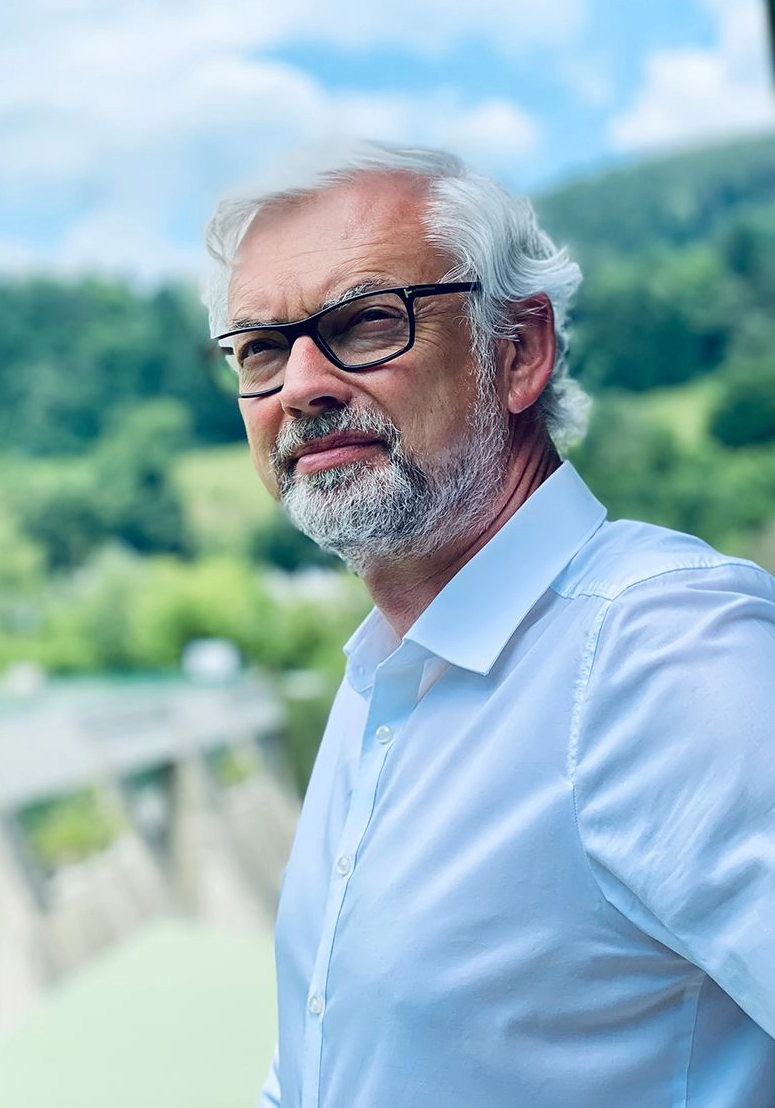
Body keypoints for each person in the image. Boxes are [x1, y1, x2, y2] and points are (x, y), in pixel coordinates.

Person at [202, 144, 775, 1107]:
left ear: (517, 351)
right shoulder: (382, 677)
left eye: (366, 321)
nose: (301, 384)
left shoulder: (663, 653)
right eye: (262, 348)